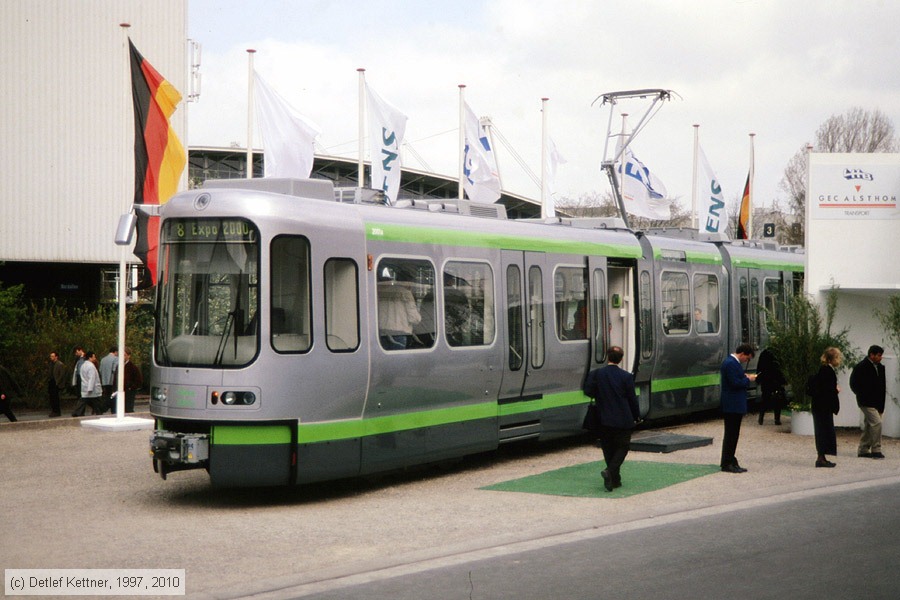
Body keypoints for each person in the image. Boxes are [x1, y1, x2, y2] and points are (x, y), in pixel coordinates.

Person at [582, 346, 641, 492]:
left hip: (603, 418)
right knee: (622, 447)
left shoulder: (596, 374)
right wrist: (636, 415)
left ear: (607, 356)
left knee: (608, 448)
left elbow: (587, 391)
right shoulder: (626, 377)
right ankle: (610, 472)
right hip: (623, 418)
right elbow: (632, 399)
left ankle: (615, 479)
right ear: (621, 359)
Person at [720, 343, 756, 473]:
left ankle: (730, 459)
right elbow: (735, 383)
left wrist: (744, 377)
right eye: (747, 358)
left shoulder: (731, 363)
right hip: (732, 405)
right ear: (742, 354)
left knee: (733, 434)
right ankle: (727, 462)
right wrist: (748, 380)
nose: (746, 361)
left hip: (733, 404)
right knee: (731, 434)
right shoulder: (731, 363)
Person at [850, 345, 887, 459]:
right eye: (879, 355)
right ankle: (876, 449)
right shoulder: (862, 367)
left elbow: (882, 386)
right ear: (872, 355)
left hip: (877, 402)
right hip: (866, 401)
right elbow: (853, 383)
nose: (881, 358)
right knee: (877, 423)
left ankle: (863, 449)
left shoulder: (880, 368)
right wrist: (862, 395)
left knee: (869, 425)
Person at [810, 347, 842, 468]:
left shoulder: (824, 369)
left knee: (822, 430)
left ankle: (822, 456)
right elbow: (826, 390)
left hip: (820, 406)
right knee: (823, 430)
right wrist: (835, 390)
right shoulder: (827, 371)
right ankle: (821, 457)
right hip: (823, 406)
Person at [377, 269, 421, 350]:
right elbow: (414, 318)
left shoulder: (380, 292)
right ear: (408, 282)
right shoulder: (405, 293)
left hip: (382, 333)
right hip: (398, 334)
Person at [756, 347, 787, 425]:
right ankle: (777, 419)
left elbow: (759, 367)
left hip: (766, 380)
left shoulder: (764, 353)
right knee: (778, 399)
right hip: (776, 380)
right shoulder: (779, 352)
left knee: (765, 399)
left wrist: (759, 379)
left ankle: (761, 418)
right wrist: (784, 380)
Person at [72, 350, 103, 417]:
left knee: (84, 401)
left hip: (85, 387)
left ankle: (77, 412)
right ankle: (99, 412)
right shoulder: (91, 366)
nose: (95, 358)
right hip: (92, 389)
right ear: (90, 357)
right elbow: (92, 378)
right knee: (95, 402)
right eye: (94, 357)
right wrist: (90, 388)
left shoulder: (83, 365)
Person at [114, 347, 143, 413]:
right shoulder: (118, 366)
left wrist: (130, 387)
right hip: (119, 391)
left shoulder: (133, 367)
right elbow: (115, 379)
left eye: (124, 355)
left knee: (128, 409)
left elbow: (139, 381)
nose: (122, 357)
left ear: (129, 356)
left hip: (129, 392)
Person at [47, 351, 67, 417]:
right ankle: (54, 410)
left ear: (56, 357)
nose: (51, 357)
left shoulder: (60, 364)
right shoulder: (51, 364)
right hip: (51, 382)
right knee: (52, 397)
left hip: (56, 383)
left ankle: (57, 411)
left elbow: (61, 374)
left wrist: (57, 382)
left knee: (55, 398)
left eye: (52, 356)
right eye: (51, 356)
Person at [99, 346, 117, 414]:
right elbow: (115, 370)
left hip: (104, 381)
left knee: (107, 396)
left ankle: (104, 407)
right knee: (113, 396)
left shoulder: (103, 359)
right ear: (115, 352)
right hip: (112, 381)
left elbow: (100, 370)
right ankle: (107, 408)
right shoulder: (116, 359)